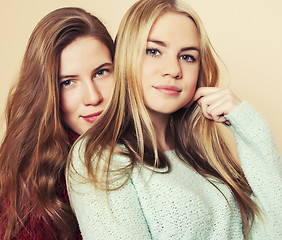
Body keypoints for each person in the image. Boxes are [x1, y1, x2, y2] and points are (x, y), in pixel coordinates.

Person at [67, 0, 282, 239]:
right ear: (126, 58)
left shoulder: (207, 154)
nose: (173, 69)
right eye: (153, 51)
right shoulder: (99, 156)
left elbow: (273, 230)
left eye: (188, 57)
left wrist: (250, 125)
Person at [0, 7, 114, 240]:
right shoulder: (35, 179)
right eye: (68, 82)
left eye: (101, 72)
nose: (93, 97)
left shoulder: (146, 143)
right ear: (46, 93)